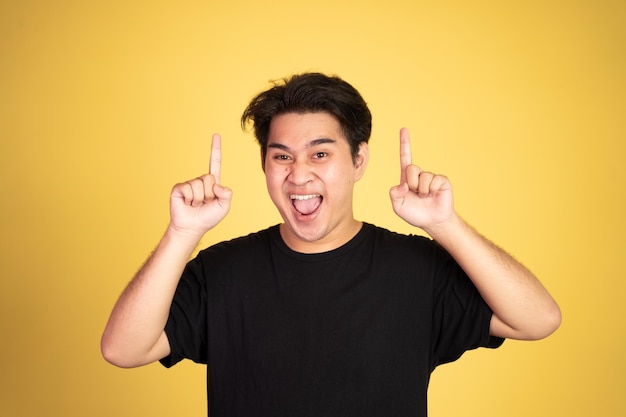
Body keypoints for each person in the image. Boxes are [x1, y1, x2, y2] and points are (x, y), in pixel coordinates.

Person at [101, 72, 561, 417]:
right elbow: (123, 350)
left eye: (320, 154)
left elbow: (538, 319)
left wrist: (446, 225)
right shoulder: (221, 270)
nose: (299, 175)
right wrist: (182, 234)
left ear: (359, 159)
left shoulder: (417, 269)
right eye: (282, 157)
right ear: (264, 165)